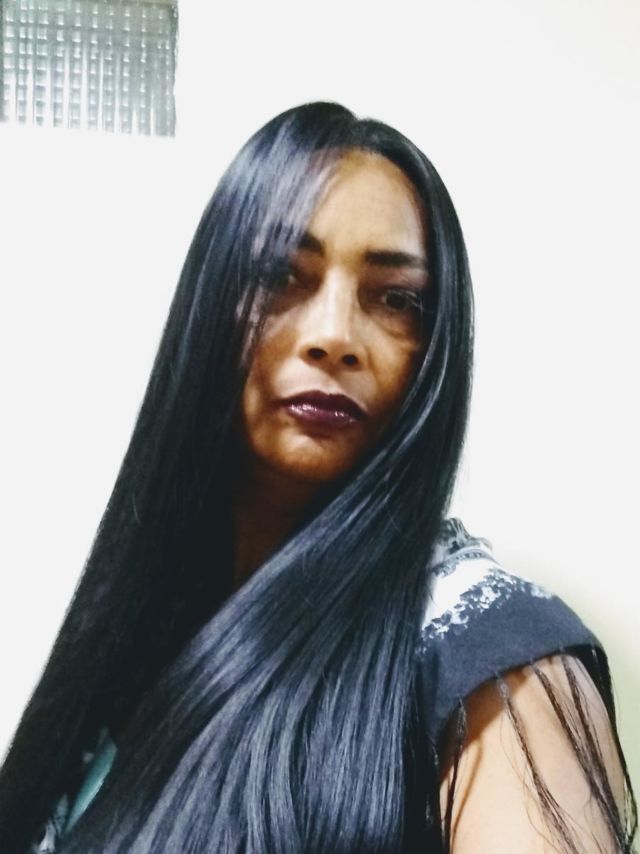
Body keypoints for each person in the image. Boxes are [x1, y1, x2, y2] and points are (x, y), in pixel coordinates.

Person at [0, 102, 636, 853]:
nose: (335, 336)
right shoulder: (143, 624)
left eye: (397, 299)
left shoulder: (495, 670)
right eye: (280, 276)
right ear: (209, 306)